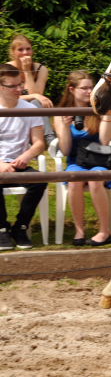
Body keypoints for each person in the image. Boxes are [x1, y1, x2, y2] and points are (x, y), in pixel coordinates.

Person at [53, 70, 111, 246]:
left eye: (91, 88)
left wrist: (106, 118)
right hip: (76, 161)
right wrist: (65, 127)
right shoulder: (62, 113)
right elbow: (65, 150)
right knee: (74, 180)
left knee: (95, 180)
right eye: (84, 88)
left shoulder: (99, 108)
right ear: (71, 89)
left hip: (99, 160)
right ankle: (79, 231)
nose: (89, 92)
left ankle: (104, 231)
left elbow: (104, 141)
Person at [0, 63, 47, 250]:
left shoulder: (29, 108)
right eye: (12, 86)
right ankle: (2, 229)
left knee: (40, 180)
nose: (19, 89)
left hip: (19, 164)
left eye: (20, 84)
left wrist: (27, 155)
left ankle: (20, 227)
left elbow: (39, 143)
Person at [7, 34, 56, 146]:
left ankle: (51, 140)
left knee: (36, 102)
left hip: (32, 107)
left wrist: (27, 71)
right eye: (20, 50)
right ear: (13, 52)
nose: (25, 53)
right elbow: (6, 98)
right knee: (32, 100)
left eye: (28, 49)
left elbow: (38, 97)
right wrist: (35, 96)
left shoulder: (41, 69)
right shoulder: (6, 70)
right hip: (12, 106)